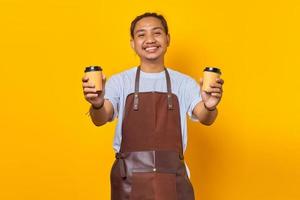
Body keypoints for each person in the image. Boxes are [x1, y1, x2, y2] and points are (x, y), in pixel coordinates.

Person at [82, 12, 224, 200]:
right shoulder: (119, 82)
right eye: (141, 34)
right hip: (128, 181)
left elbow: (205, 117)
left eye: (156, 33)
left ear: (167, 39)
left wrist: (211, 106)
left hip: (173, 180)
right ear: (133, 43)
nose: (150, 40)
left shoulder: (184, 83)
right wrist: (98, 104)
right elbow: (100, 119)